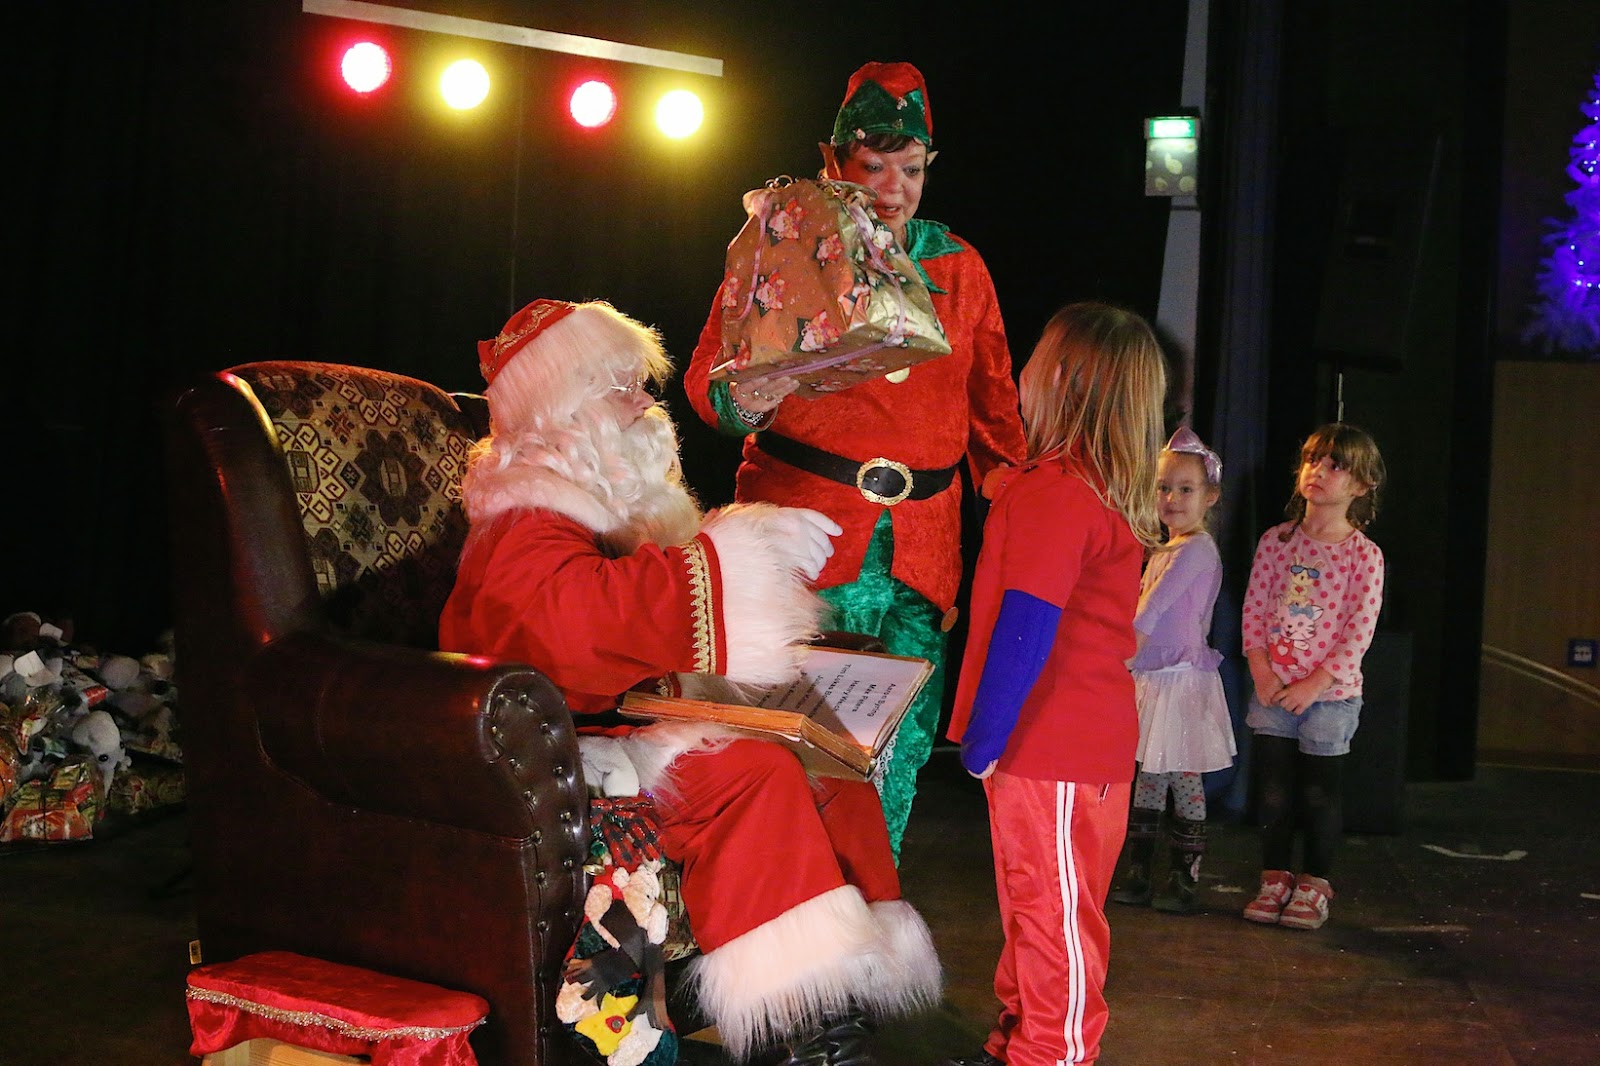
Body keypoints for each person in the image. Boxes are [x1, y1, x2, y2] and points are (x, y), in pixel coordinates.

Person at [439, 298, 941, 1066]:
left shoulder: (607, 502)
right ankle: (797, 1038)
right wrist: (729, 555)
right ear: (564, 406)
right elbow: (571, 630)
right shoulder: (525, 516)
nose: (646, 401)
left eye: (642, 382)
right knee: (754, 775)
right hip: (565, 747)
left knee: (829, 765)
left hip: (630, 717)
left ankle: (832, 1003)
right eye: (621, 385)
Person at [684, 61, 1027, 858]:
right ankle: (778, 925)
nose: (895, 187)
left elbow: (994, 407)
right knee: (791, 735)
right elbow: (709, 383)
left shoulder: (958, 267)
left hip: (921, 549)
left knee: (897, 746)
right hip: (806, 532)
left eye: (911, 170)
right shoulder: (785, 243)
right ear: (833, 161)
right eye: (875, 166)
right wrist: (751, 396)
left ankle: (871, 916)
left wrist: (1015, 495)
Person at [945, 302, 1168, 1066]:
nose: (1024, 370)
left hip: (1050, 750)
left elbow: (1027, 628)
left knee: (1054, 921)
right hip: (1068, 751)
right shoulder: (1072, 486)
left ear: (1066, 377)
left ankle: (1052, 1053)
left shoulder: (1060, 492)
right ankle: (1016, 1042)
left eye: (1037, 354)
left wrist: (986, 739)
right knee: (1035, 906)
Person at [1240, 422, 1386, 931]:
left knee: (1319, 792)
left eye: (1336, 465)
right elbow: (1254, 609)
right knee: (1274, 789)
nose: (1318, 472)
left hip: (1330, 695)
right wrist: (1262, 671)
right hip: (1273, 689)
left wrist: (1315, 684)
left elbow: (1358, 631)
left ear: (1362, 486)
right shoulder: (1276, 542)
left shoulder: (1363, 556)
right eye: (1312, 460)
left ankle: (1315, 883)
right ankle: (1274, 877)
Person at [1109, 427, 1237, 914]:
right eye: (1164, 487)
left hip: (1179, 681)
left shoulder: (1197, 549)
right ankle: (1140, 871)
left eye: (1185, 489)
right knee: (1148, 776)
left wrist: (1117, 659)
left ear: (1210, 497)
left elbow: (1151, 611)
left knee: (1182, 776)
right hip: (1152, 678)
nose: (1172, 498)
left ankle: (1185, 876)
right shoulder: (1166, 546)